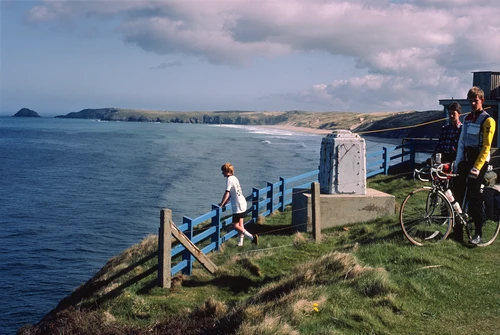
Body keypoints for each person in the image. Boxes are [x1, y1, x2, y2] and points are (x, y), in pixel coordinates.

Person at [453, 87, 496, 244]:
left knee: (473, 192)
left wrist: (477, 167)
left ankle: (478, 232)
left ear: (482, 101)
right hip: (467, 158)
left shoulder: (488, 120)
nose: (472, 103)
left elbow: (486, 147)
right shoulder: (467, 119)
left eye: (475, 100)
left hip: (481, 160)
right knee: (456, 189)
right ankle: (457, 232)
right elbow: (462, 143)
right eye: (470, 100)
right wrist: (457, 163)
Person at [219, 162, 258, 246]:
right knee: (241, 224)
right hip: (242, 203)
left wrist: (221, 204)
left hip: (238, 206)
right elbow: (233, 193)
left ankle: (252, 237)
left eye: (223, 171)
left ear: (226, 171)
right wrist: (226, 202)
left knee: (235, 226)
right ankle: (240, 243)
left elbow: (227, 193)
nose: (222, 173)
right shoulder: (234, 178)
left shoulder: (229, 180)